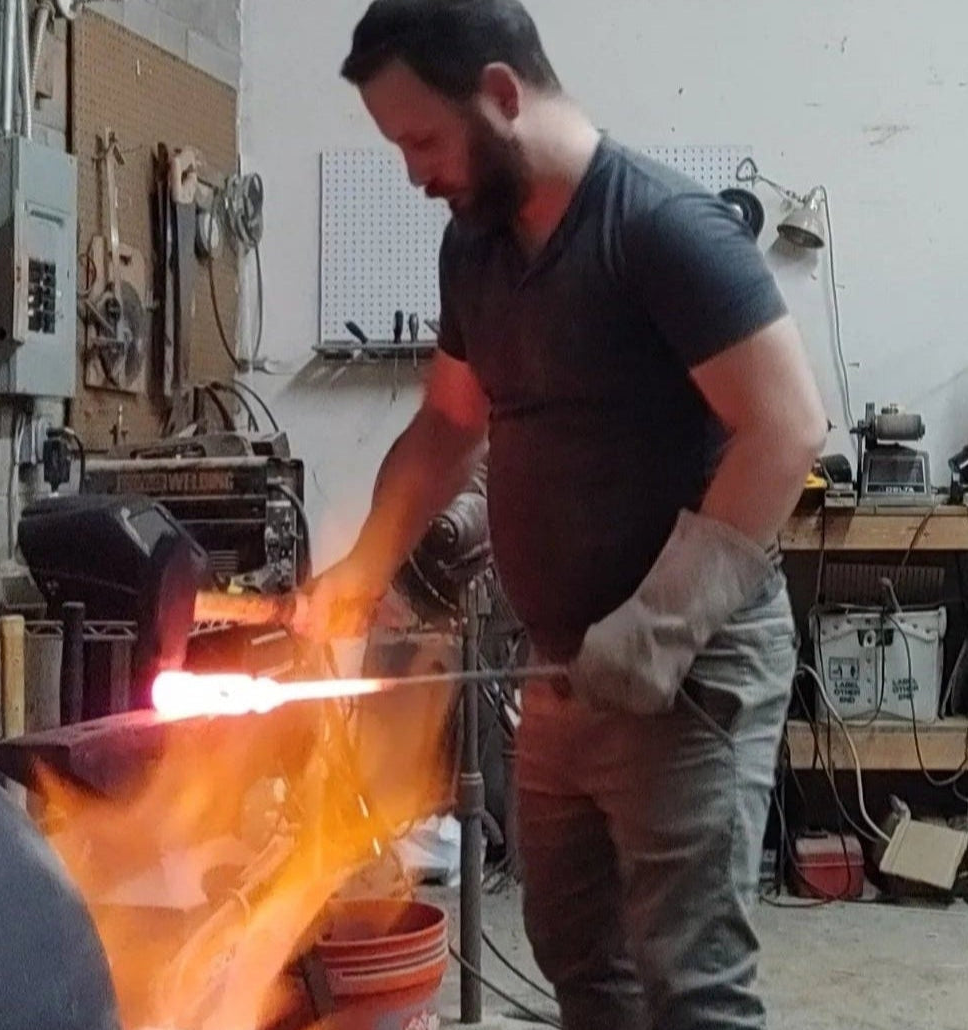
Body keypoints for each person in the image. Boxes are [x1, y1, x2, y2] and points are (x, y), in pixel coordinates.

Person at [299, 2, 828, 1028]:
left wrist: (662, 622)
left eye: (422, 139)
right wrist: (359, 574)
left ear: (501, 94)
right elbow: (445, 429)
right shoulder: (476, 251)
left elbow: (786, 429)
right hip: (555, 667)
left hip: (684, 674)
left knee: (691, 982)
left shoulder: (658, 230)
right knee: (580, 961)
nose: (413, 173)